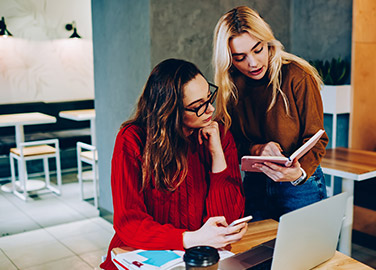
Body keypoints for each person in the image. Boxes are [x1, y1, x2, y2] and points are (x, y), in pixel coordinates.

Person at [100, 59, 247, 270]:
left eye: (208, 98)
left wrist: (217, 154)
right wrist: (192, 238)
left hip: (197, 260)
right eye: (198, 106)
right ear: (169, 112)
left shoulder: (219, 135)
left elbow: (226, 221)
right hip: (139, 257)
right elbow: (129, 224)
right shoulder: (132, 139)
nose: (210, 109)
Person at [212, 6, 329, 221]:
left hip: (300, 186)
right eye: (240, 57)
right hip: (255, 184)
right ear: (229, 59)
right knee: (256, 253)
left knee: (303, 254)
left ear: (268, 42)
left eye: (258, 50)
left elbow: (318, 138)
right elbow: (229, 142)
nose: (253, 63)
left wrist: (298, 174)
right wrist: (256, 148)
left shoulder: (297, 75)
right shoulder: (231, 86)